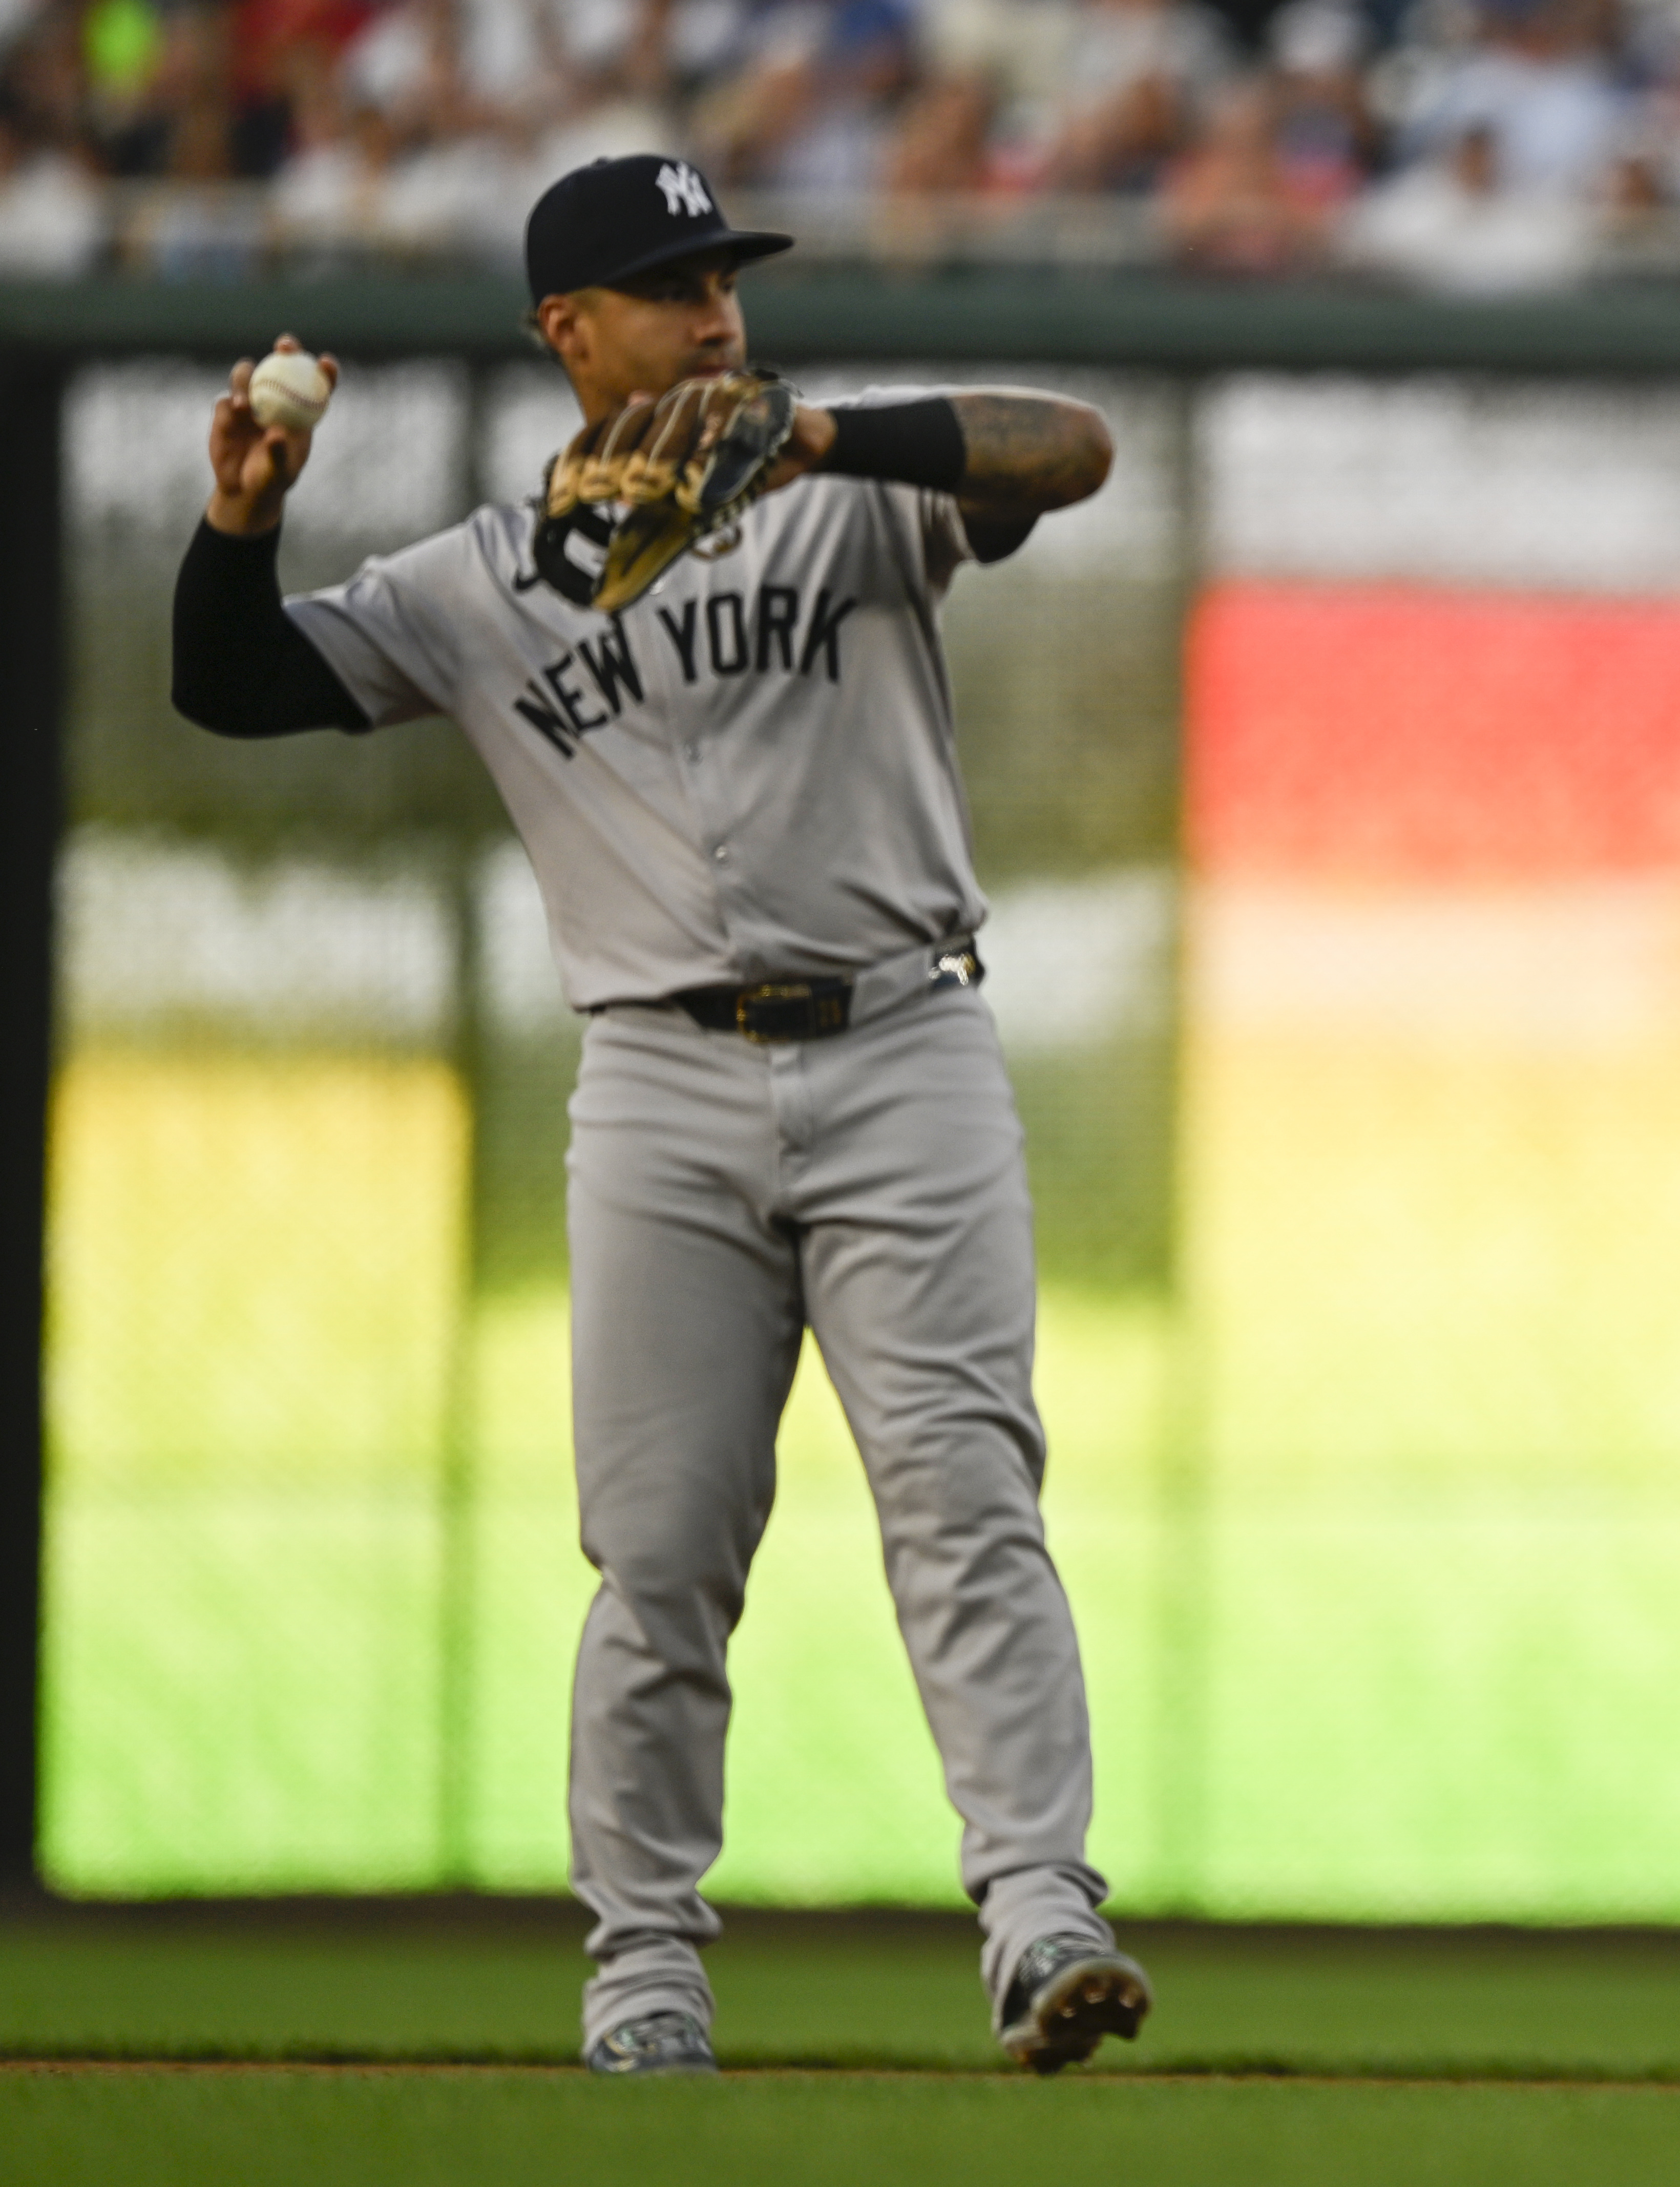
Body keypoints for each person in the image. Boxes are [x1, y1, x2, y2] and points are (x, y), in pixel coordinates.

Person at [167, 154, 1147, 2078]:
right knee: (663, 1543)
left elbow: (1080, 447)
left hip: (904, 1051)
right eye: (669, 285)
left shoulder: (845, 493)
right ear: (570, 334)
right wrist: (232, 523)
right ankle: (643, 1977)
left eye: (725, 279)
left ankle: (1043, 1921)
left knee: (966, 1499)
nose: (715, 311)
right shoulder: (471, 586)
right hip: (661, 1088)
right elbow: (227, 682)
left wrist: (819, 436)